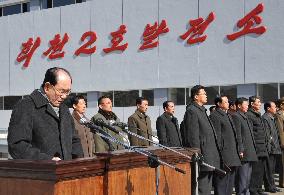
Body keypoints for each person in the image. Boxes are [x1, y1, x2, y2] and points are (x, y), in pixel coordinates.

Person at [8, 67, 83, 161]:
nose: (64, 96)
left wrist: (78, 162)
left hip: (66, 172)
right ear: (47, 87)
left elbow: (74, 140)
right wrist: (47, 160)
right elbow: (17, 146)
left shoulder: (63, 108)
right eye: (61, 91)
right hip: (42, 172)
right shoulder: (26, 106)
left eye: (67, 92)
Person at [182, 85, 221, 195]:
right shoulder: (192, 111)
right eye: (203, 93)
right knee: (202, 188)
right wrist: (197, 154)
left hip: (209, 154)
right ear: (196, 96)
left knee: (207, 187)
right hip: (202, 155)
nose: (206, 95)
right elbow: (192, 136)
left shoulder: (202, 110)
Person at [210, 95, 241, 195]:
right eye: (226, 101)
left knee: (229, 184)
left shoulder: (227, 115)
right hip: (224, 156)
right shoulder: (215, 116)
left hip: (232, 154)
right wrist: (220, 157)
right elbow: (217, 138)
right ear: (219, 104)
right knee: (222, 184)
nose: (228, 103)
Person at [232, 97, 258, 195]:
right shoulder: (236, 116)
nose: (247, 106)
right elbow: (238, 135)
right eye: (245, 104)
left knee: (247, 179)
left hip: (250, 151)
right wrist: (240, 150)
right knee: (242, 179)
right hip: (244, 152)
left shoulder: (245, 116)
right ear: (239, 105)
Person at [246, 96, 270, 195]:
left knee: (261, 170)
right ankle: (253, 190)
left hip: (262, 147)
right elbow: (250, 133)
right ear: (252, 104)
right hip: (257, 148)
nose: (260, 104)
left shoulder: (258, 115)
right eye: (258, 102)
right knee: (255, 171)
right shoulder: (249, 115)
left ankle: (259, 189)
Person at [262, 101, 282, 192]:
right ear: (268, 108)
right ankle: (269, 186)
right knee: (269, 169)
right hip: (270, 149)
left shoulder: (272, 118)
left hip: (275, 148)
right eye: (274, 107)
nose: (276, 108)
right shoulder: (265, 118)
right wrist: (271, 147)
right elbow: (267, 136)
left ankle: (273, 186)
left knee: (272, 169)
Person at [275, 97, 284, 188]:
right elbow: (281, 130)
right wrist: (282, 143)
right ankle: (283, 182)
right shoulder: (279, 114)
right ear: (281, 104)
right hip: (283, 143)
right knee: (283, 164)